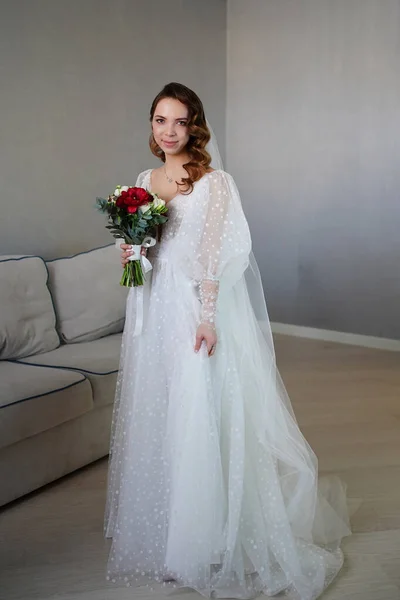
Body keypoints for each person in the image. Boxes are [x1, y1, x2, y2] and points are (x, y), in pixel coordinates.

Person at [104, 82, 351, 600]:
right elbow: (142, 247)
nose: (169, 131)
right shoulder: (143, 180)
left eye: (179, 121)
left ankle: (205, 544)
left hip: (193, 308)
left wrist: (208, 316)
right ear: (150, 126)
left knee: (199, 417)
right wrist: (131, 255)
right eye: (159, 120)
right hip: (152, 305)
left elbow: (217, 251)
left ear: (195, 125)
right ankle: (170, 538)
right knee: (163, 415)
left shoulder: (216, 184)